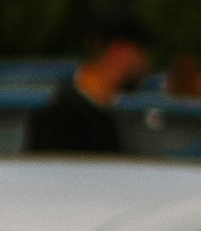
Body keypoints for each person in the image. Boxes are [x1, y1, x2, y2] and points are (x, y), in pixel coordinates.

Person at [25, 10, 152, 153]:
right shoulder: (62, 120)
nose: (146, 62)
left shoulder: (104, 114)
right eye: (140, 52)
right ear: (118, 51)